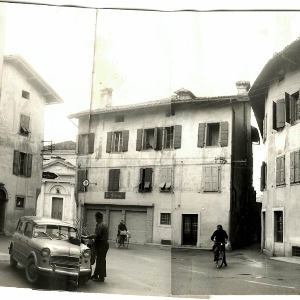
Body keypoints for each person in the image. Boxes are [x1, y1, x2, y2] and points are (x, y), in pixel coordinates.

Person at [82, 212, 109, 282]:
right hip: (102, 244)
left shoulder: (101, 225)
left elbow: (95, 235)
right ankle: (96, 275)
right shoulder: (103, 224)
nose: (95, 219)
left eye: (96, 217)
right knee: (99, 260)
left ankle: (101, 277)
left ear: (98, 218)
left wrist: (86, 237)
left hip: (102, 244)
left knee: (101, 260)